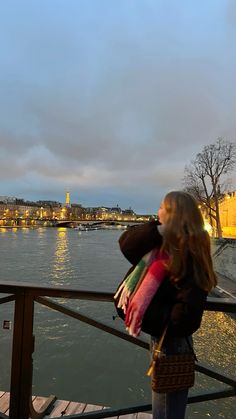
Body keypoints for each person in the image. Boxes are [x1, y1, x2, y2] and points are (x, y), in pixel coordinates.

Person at [116, 191, 217, 419]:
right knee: (164, 410)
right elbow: (126, 244)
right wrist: (159, 229)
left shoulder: (188, 255)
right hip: (163, 341)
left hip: (172, 345)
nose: (157, 211)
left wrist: (143, 314)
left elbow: (185, 319)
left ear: (173, 214)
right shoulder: (164, 248)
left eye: (162, 207)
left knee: (166, 413)